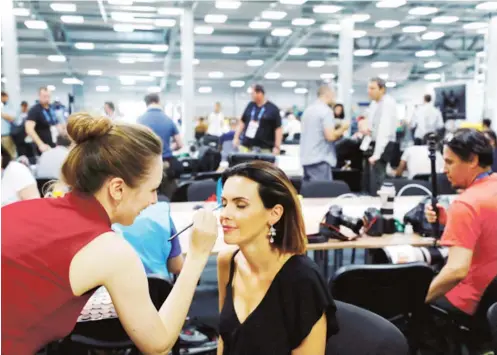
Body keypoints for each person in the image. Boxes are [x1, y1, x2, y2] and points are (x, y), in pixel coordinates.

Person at [2, 113, 218, 355]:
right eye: (153, 189)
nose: (154, 200)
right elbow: (158, 343)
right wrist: (198, 255)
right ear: (117, 188)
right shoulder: (109, 250)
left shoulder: (22, 209)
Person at [217, 161, 339, 354]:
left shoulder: (302, 280)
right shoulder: (228, 262)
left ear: (274, 214)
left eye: (240, 205)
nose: (224, 214)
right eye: (223, 204)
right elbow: (224, 342)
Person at [424, 129, 497, 316]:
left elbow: (456, 270)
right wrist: (448, 219)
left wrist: (419, 298)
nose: (443, 169)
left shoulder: (466, 204)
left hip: (471, 304)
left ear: (473, 160)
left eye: (449, 162)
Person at [113, 178, 184, 278]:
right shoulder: (161, 214)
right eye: (152, 190)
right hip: (160, 290)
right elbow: (177, 266)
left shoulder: (105, 220)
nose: (155, 200)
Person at [300, 85, 350, 181]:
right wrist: (343, 128)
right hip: (320, 160)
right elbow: (330, 136)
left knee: (310, 193)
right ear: (328, 94)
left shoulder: (308, 110)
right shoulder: (326, 111)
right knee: (322, 194)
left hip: (306, 159)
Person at [364, 77, 398, 193]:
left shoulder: (387, 103)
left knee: (379, 179)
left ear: (382, 89)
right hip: (375, 143)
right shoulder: (374, 104)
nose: (369, 91)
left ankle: (381, 204)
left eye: (372, 88)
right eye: (368, 88)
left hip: (385, 144)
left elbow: (384, 130)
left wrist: (377, 154)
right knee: (371, 178)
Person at [137, 93, 184, 179]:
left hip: (147, 165)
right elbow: (180, 144)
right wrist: (168, 148)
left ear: (146, 103)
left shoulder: (139, 121)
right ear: (158, 101)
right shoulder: (168, 120)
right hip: (165, 164)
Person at [234, 84, 282, 155]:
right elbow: (242, 122)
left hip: (264, 149)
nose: (251, 96)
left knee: (262, 166)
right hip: (246, 147)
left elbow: (278, 128)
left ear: (260, 93)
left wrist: (277, 146)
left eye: (252, 93)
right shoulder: (250, 105)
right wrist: (236, 137)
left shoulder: (273, 109)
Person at [25, 87, 63, 153]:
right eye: (44, 96)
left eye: (48, 96)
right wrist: (40, 144)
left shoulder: (52, 108)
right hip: (42, 147)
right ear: (39, 96)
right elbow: (29, 129)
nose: (47, 98)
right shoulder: (34, 110)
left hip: (54, 144)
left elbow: (56, 123)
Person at [1, 91, 17, 158]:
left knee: (10, 154)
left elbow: (12, 118)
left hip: (6, 135)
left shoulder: (10, 106)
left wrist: (1, 114)